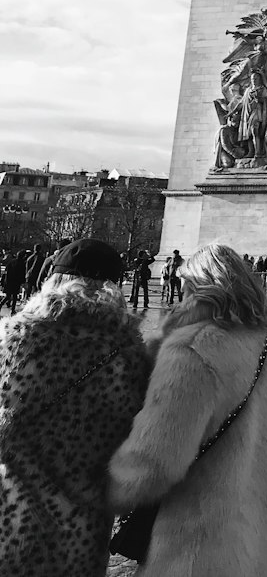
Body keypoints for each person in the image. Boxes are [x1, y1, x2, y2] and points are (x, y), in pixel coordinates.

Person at [107, 242, 267, 577]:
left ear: (195, 287)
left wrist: (109, 491)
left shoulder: (193, 348)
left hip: (199, 545)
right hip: (265, 541)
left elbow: (156, 461)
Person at [0, 238, 149, 577]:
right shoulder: (129, 353)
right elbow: (130, 440)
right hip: (83, 528)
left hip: (10, 517)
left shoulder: (14, 337)